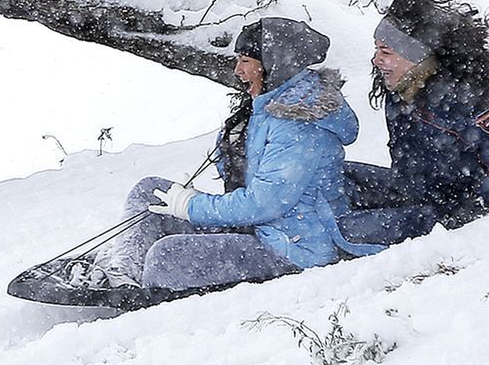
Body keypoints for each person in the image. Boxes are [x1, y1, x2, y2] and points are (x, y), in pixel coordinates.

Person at [97, 16, 382, 292]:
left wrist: (193, 207)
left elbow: (264, 203)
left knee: (166, 257)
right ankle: (122, 274)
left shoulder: (299, 126)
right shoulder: (269, 106)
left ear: (274, 65)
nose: (238, 70)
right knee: (150, 192)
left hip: (293, 247)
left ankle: (137, 292)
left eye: (245, 61)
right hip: (259, 228)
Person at [340, 0, 489, 247]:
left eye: (386, 52)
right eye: (377, 50)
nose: (376, 60)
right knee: (337, 174)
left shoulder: (466, 100)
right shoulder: (400, 94)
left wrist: (469, 211)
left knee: (348, 230)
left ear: (416, 57)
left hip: (454, 208)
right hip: (416, 191)